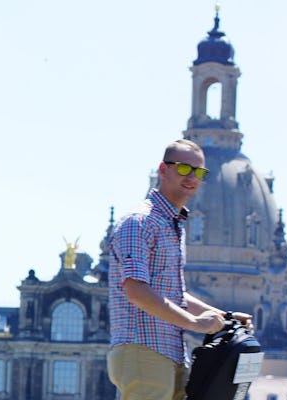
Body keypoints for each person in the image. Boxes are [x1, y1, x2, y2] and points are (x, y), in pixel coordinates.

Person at [106, 139, 252, 400]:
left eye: (199, 172)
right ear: (163, 170)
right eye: (184, 169)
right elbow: (136, 290)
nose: (192, 178)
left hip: (170, 351)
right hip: (143, 348)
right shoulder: (140, 222)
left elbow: (172, 294)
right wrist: (194, 322)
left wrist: (222, 315)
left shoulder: (171, 224)